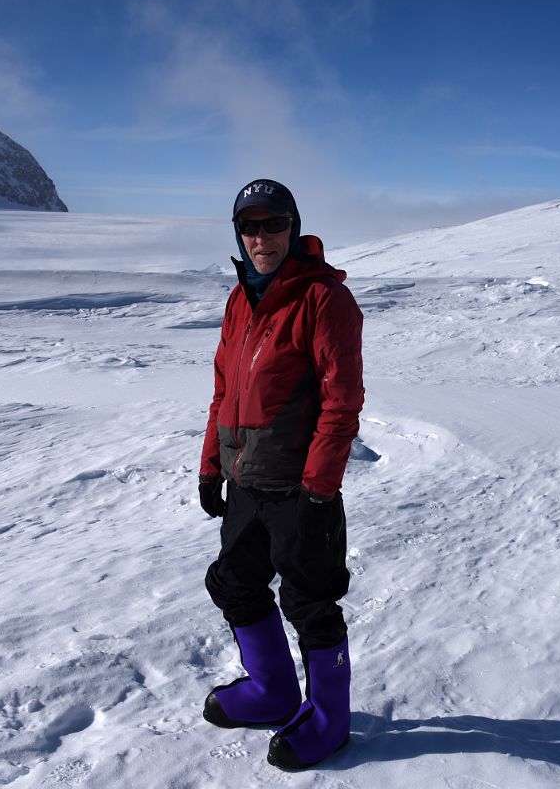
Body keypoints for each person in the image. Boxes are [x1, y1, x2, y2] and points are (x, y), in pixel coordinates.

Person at [198, 178, 364, 771]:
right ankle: (272, 691)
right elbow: (224, 392)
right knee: (234, 584)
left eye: (273, 225)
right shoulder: (239, 299)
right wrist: (212, 466)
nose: (262, 237)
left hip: (300, 489)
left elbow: (342, 402)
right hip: (246, 483)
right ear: (239, 235)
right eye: (251, 227)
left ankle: (329, 722)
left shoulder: (324, 300)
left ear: (294, 228)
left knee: (310, 602)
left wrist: (321, 489)